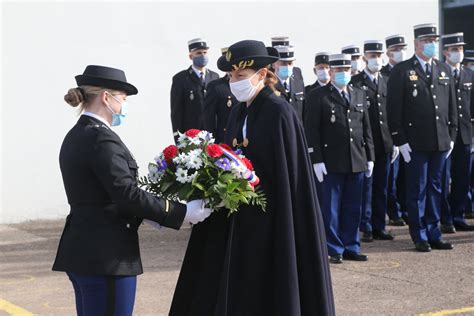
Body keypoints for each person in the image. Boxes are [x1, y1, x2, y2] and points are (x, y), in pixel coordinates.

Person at [170, 40, 335, 316]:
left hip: (272, 215)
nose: (234, 82)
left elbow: (286, 173)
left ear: (261, 74)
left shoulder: (278, 111)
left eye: (241, 76)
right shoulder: (240, 109)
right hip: (242, 213)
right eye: (232, 76)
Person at [53, 65, 211, 315]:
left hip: (86, 250)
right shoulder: (100, 139)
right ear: (107, 97)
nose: (124, 106)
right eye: (123, 99)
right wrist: (182, 212)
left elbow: (104, 194)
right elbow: (126, 194)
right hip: (107, 256)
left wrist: (150, 215)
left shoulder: (78, 134)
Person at [387, 23, 457, 252]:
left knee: (436, 188)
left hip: (440, 140)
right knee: (417, 189)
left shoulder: (443, 69)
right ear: (417, 43)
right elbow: (394, 109)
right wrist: (401, 140)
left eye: (434, 41)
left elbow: (452, 106)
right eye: (427, 41)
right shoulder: (402, 70)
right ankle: (420, 235)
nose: (431, 45)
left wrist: (452, 134)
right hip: (415, 142)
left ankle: (434, 231)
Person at [305, 53, 375, 264]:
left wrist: (370, 156)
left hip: (356, 159)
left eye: (346, 70)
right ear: (331, 72)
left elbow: (366, 128)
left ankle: (351, 246)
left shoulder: (358, 94)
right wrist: (315, 159)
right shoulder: (318, 96)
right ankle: (334, 248)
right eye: (338, 70)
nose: (343, 74)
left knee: (353, 207)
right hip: (331, 161)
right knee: (331, 209)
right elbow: (312, 130)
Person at [351, 40, 398, 242]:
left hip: (386, 142)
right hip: (365, 145)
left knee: (383, 186)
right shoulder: (356, 82)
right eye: (372, 56)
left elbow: (393, 112)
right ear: (364, 58)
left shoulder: (387, 80)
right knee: (366, 187)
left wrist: (396, 140)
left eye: (379, 56)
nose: (376, 59)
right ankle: (366, 226)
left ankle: (380, 225)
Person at [439, 32, 474, 233]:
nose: (458, 53)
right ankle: (445, 218)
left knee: (462, 177)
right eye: (454, 50)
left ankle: (458, 214)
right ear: (445, 52)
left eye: (460, 49)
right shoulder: (440, 71)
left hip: (466, 134)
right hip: (445, 135)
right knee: (443, 178)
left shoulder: (469, 74)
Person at [383, 35, 410, 227]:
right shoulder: (384, 74)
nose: (401, 51)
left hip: (409, 133)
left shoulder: (409, 71)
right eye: (396, 48)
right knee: (391, 179)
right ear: (389, 52)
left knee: (406, 177)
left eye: (403, 47)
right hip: (390, 134)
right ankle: (394, 212)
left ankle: (405, 208)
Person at [170, 38, 219, 139]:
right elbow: (176, 112)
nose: (203, 56)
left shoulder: (214, 77)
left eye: (205, 52)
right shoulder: (181, 78)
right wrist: (178, 138)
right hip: (191, 136)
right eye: (199, 53)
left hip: (211, 135)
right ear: (191, 56)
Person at [202, 47, 238, 143]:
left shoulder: (246, 84)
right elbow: (209, 119)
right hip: (225, 140)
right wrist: (212, 144)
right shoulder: (216, 87)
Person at [273, 45, 306, 121]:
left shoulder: (298, 81)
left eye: (290, 63)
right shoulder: (268, 84)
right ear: (274, 64)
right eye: (283, 63)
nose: (287, 66)